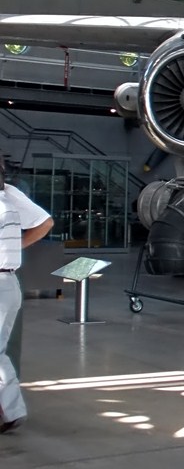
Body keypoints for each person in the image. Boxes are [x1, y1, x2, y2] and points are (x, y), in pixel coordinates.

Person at [0, 156, 53, 434]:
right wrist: (16, 247)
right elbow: (45, 223)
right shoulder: (11, 193)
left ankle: (11, 411)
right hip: (9, 282)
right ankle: (10, 410)